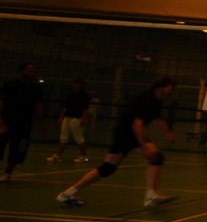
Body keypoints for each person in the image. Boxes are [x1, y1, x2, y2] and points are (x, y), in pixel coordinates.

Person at [55, 76, 179, 208]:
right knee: (151, 158)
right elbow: (136, 125)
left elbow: (158, 118)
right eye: (170, 89)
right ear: (160, 88)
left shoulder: (157, 100)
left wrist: (168, 132)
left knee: (111, 168)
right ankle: (151, 196)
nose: (172, 92)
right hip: (125, 134)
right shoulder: (146, 100)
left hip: (129, 133)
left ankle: (67, 194)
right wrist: (144, 148)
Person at [0, 62, 45, 183]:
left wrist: (42, 122)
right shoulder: (10, 85)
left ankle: (8, 173)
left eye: (33, 71)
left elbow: (38, 105)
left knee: (18, 150)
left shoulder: (36, 88)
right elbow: (1, 102)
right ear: (21, 72)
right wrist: (0, 121)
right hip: (7, 121)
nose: (32, 73)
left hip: (25, 124)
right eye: (29, 71)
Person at [47, 78, 92, 163]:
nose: (78, 85)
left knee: (78, 138)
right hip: (67, 117)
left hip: (77, 118)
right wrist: (61, 117)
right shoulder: (71, 95)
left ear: (83, 86)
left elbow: (85, 108)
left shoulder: (85, 96)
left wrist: (84, 118)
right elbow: (66, 107)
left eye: (80, 84)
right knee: (63, 138)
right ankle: (58, 156)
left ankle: (83, 156)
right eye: (76, 83)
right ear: (74, 84)